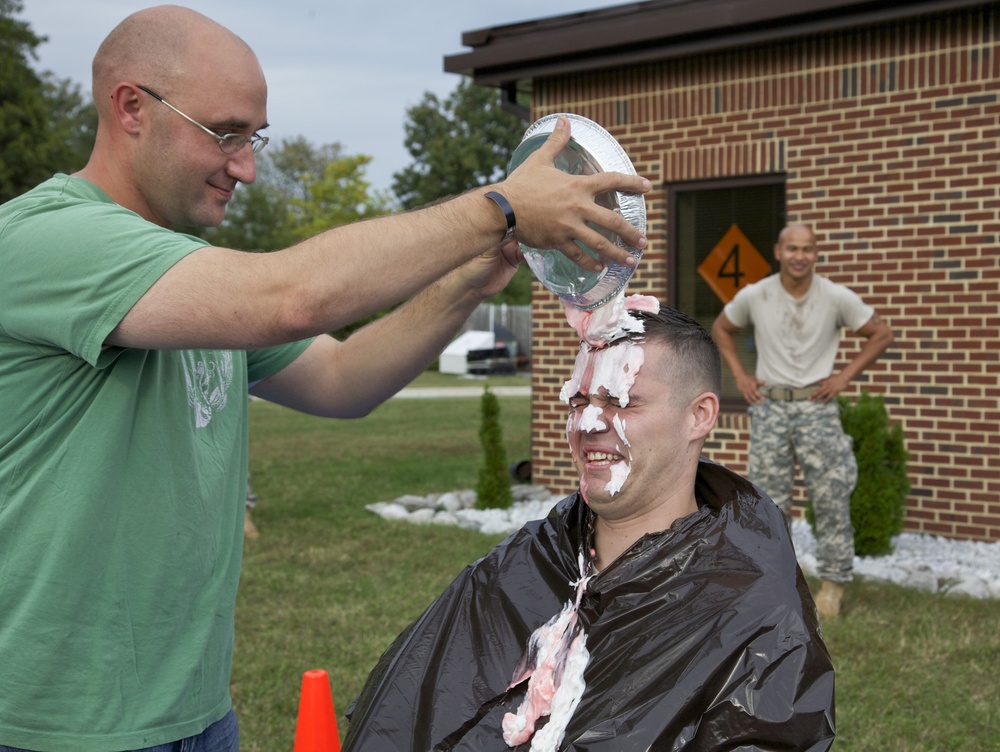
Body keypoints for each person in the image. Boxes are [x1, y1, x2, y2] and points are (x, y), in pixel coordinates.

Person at [0, 6, 651, 751]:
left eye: (255, 138)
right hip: (55, 729)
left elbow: (344, 377)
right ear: (131, 108)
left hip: (195, 714)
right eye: (227, 132)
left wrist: (473, 276)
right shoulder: (48, 238)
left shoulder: (183, 281)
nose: (245, 165)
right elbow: (290, 297)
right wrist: (500, 208)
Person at [343, 307, 835, 751]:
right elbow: (406, 712)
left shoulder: (751, 612)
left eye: (622, 401)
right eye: (579, 401)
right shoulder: (529, 561)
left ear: (699, 416)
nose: (588, 423)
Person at [711, 223, 894, 619]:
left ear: (815, 254)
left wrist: (844, 377)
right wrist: (741, 376)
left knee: (830, 495)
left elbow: (879, 333)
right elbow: (722, 328)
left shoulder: (836, 297)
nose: (799, 256)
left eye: (807, 249)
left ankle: (833, 584)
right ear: (778, 251)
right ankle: (778, 579)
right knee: (769, 502)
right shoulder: (756, 295)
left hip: (816, 407)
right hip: (771, 407)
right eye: (792, 248)